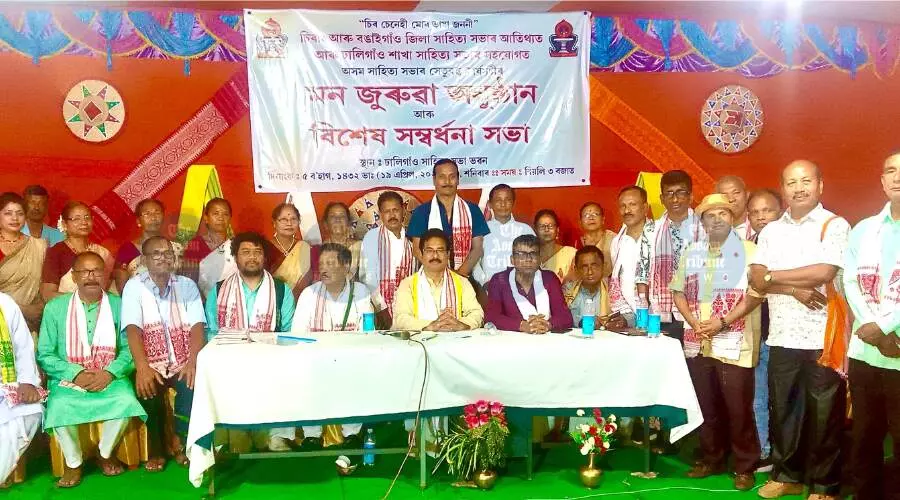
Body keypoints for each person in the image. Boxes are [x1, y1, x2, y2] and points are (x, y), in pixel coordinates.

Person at [749, 160, 850, 500]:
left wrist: (773, 277)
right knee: (784, 409)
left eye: (806, 180)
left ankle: (824, 485)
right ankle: (787, 475)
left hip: (823, 336)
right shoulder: (771, 231)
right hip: (782, 334)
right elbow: (755, 277)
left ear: (820, 185)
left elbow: (823, 272)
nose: (799, 188)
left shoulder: (834, 225)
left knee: (825, 413)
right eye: (791, 182)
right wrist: (792, 287)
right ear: (783, 188)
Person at [669, 193, 762, 491]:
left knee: (738, 408)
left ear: (733, 217)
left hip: (736, 342)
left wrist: (722, 321)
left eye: (723, 213)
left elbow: (756, 294)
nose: (717, 219)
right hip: (699, 340)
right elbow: (678, 292)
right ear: (703, 222)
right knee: (706, 405)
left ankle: (744, 466)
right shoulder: (692, 252)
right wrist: (694, 322)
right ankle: (712, 459)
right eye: (710, 215)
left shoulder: (750, 251)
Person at [37, 251, 147, 488]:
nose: (91, 277)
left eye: (96, 271)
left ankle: (104, 453)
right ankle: (73, 462)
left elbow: (130, 349)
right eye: (84, 272)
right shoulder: (55, 308)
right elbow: (45, 353)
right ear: (74, 276)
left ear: (105, 275)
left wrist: (109, 373)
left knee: (125, 399)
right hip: (68, 377)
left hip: (110, 375)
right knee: (59, 405)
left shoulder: (119, 306)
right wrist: (75, 373)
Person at [842, 152, 900, 500]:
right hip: (866, 351)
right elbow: (849, 281)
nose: (898, 177)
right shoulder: (864, 229)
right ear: (882, 181)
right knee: (865, 437)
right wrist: (875, 330)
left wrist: (888, 326)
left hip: (897, 350)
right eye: (891, 171)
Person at [203, 232, 295, 452]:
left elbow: (289, 331)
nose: (252, 257)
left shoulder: (281, 291)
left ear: (264, 257)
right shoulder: (219, 290)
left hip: (271, 360)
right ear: (235, 257)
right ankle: (234, 437)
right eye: (245, 252)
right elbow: (212, 333)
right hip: (230, 361)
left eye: (257, 252)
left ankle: (275, 434)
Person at [121, 236, 206, 471]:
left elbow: (198, 327)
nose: (163, 258)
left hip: (182, 359)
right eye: (156, 254)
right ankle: (157, 450)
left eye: (168, 253)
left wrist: (192, 362)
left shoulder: (186, 286)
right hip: (150, 360)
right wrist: (142, 367)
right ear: (145, 260)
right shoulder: (134, 287)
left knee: (192, 384)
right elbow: (133, 329)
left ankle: (181, 441)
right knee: (148, 389)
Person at [292, 243, 372, 448]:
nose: (324, 269)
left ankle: (352, 433)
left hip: (350, 359)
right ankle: (312, 434)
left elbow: (367, 331)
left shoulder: (360, 292)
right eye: (321, 264)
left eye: (330, 263)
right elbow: (298, 334)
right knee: (306, 375)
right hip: (316, 359)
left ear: (346, 266)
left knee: (355, 374)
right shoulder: (309, 294)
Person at [746, 188, 785, 472]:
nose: (761, 217)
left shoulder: (790, 244)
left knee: (782, 397)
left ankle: (785, 452)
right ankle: (764, 450)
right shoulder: (748, 247)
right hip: (757, 331)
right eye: (755, 213)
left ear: (780, 211)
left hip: (787, 333)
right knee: (758, 393)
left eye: (767, 211)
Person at [637, 170, 700, 342]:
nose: (675, 199)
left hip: (698, 310)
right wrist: (643, 314)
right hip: (662, 313)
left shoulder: (704, 227)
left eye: (680, 192)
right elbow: (642, 273)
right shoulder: (651, 230)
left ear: (691, 196)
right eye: (669, 194)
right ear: (661, 198)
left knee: (695, 358)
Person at [407, 159, 489, 279]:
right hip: (431, 278)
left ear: (458, 179)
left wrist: (459, 276)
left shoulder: (472, 210)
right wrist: (440, 273)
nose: (447, 181)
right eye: (442, 177)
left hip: (465, 277)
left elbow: (477, 248)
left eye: (452, 177)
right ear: (434, 180)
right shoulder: (421, 212)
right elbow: (417, 250)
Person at [392, 229, 484, 331]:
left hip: (455, 339)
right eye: (429, 250)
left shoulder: (462, 282)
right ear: (421, 254)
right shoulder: (408, 284)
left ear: (448, 254)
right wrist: (430, 326)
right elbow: (401, 318)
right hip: (419, 340)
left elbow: (476, 313)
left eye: (440, 250)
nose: (435, 256)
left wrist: (461, 325)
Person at [484, 234, 573, 333]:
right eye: (521, 254)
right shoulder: (499, 280)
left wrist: (547, 324)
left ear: (539, 259)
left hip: (546, 339)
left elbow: (565, 317)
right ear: (512, 260)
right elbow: (492, 317)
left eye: (533, 254)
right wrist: (521, 325)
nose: (528, 259)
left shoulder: (549, 278)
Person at [0, 292, 43, 489]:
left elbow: (23, 347)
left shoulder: (5, 303)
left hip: (5, 384)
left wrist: (27, 381)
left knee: (32, 410)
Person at [359, 192, 417, 328]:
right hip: (380, 309)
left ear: (403, 211)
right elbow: (367, 277)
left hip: (409, 306)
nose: (392, 215)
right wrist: (382, 309)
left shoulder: (412, 239)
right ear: (380, 215)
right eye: (387, 211)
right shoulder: (372, 237)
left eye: (395, 210)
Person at [41, 201, 113, 302]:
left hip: (97, 308)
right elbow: (48, 294)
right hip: (66, 309)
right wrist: (82, 301)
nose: (84, 222)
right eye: (77, 219)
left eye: (87, 217)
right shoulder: (56, 252)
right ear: (64, 224)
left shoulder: (103, 253)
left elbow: (107, 288)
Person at [113, 199, 184, 294]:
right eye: (147, 214)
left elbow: (183, 281)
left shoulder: (177, 248)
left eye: (157, 213)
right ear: (138, 221)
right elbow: (120, 281)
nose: (153, 218)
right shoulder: (127, 249)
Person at [0, 192, 47, 331]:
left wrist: (36, 309)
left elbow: (44, 286)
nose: (15, 218)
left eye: (20, 213)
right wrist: (21, 309)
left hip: (29, 323)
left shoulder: (39, 246)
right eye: (8, 213)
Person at [473, 184, 534, 286]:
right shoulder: (481, 230)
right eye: (498, 200)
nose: (503, 204)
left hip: (521, 288)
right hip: (490, 288)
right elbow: (474, 263)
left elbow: (534, 260)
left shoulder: (525, 230)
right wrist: (483, 282)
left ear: (513, 203)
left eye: (507, 200)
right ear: (490, 204)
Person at [609, 187, 653, 327]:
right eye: (623, 206)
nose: (627, 210)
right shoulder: (617, 242)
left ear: (645, 208)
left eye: (632, 204)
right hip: (628, 319)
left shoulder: (658, 236)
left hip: (658, 316)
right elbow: (618, 280)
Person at [182, 197, 235, 297]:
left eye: (225, 214)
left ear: (230, 218)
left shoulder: (236, 245)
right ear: (206, 218)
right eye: (216, 213)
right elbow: (189, 280)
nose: (221, 218)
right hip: (202, 299)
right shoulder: (195, 245)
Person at [268, 203, 315, 300]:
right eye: (284, 219)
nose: (289, 223)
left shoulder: (304, 247)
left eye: (294, 219)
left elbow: (308, 279)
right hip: (273, 300)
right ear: (274, 223)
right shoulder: (265, 248)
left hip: (301, 301)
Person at [563, 246, 615, 330]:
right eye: (584, 267)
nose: (590, 272)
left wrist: (622, 320)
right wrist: (581, 322)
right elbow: (560, 317)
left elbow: (630, 315)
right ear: (576, 269)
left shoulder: (613, 287)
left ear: (603, 266)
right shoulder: (568, 290)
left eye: (594, 266)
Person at [315, 202, 361, 280]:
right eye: (332, 216)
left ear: (348, 223)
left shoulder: (360, 247)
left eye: (342, 216)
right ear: (325, 224)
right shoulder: (318, 251)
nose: (338, 219)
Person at [573, 202, 616, 278]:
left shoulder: (614, 239)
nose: (591, 218)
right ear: (580, 222)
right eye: (586, 215)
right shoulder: (576, 243)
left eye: (595, 214)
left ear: (603, 219)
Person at [535, 209, 576, 282]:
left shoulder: (571, 253)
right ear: (535, 230)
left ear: (557, 229)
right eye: (542, 226)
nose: (546, 229)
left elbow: (576, 282)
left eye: (550, 226)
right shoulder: (531, 256)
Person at [717, 175, 755, 240]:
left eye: (736, 193)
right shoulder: (712, 231)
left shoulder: (760, 225)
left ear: (747, 195)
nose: (731, 199)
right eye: (724, 195)